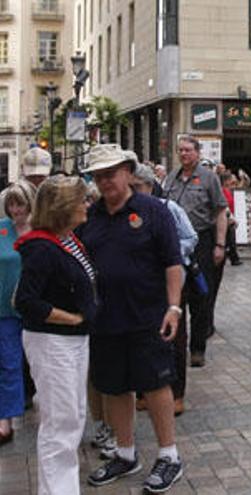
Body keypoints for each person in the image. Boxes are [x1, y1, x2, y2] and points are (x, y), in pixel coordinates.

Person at [79, 145, 185, 493]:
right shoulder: (90, 217)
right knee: (114, 387)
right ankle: (125, 454)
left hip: (148, 317)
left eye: (112, 172)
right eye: (99, 174)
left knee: (155, 385)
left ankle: (169, 456)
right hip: (105, 319)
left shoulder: (153, 211)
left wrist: (173, 308)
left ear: (128, 171)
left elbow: (173, 262)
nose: (106, 180)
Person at [14, 176, 95, 494]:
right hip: (53, 342)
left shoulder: (66, 239)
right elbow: (27, 301)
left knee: (71, 417)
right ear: (63, 208)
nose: (86, 204)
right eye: (80, 200)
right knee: (59, 423)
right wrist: (71, 319)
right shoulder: (42, 247)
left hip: (71, 341)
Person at [131, 162, 197, 416]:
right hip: (139, 287)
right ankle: (144, 390)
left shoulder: (169, 209)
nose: (134, 193)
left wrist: (167, 253)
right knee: (142, 337)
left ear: (150, 186)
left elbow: (191, 238)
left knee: (176, 339)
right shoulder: (126, 213)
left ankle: (177, 393)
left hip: (171, 285)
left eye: (138, 188)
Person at [164, 136, 228, 368]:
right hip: (177, 243)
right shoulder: (170, 178)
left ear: (198, 153)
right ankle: (176, 342)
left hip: (202, 241)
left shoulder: (209, 178)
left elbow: (221, 211)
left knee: (202, 295)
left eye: (188, 150)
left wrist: (220, 245)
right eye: (180, 150)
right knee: (176, 294)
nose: (184, 154)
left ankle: (198, 348)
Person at [0, 183, 34, 446]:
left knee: (42, 364)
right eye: (11, 204)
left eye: (19, 204)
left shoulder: (39, 231)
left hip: (36, 309)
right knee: (9, 364)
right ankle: (6, 420)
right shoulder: (1, 229)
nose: (15, 210)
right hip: (5, 309)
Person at [220, 173, 243, 266]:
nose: (232, 182)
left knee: (230, 239)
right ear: (226, 181)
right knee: (230, 239)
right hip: (227, 217)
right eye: (230, 180)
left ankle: (232, 257)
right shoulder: (222, 191)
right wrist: (230, 217)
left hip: (230, 216)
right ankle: (233, 258)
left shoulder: (228, 190)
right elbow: (224, 206)